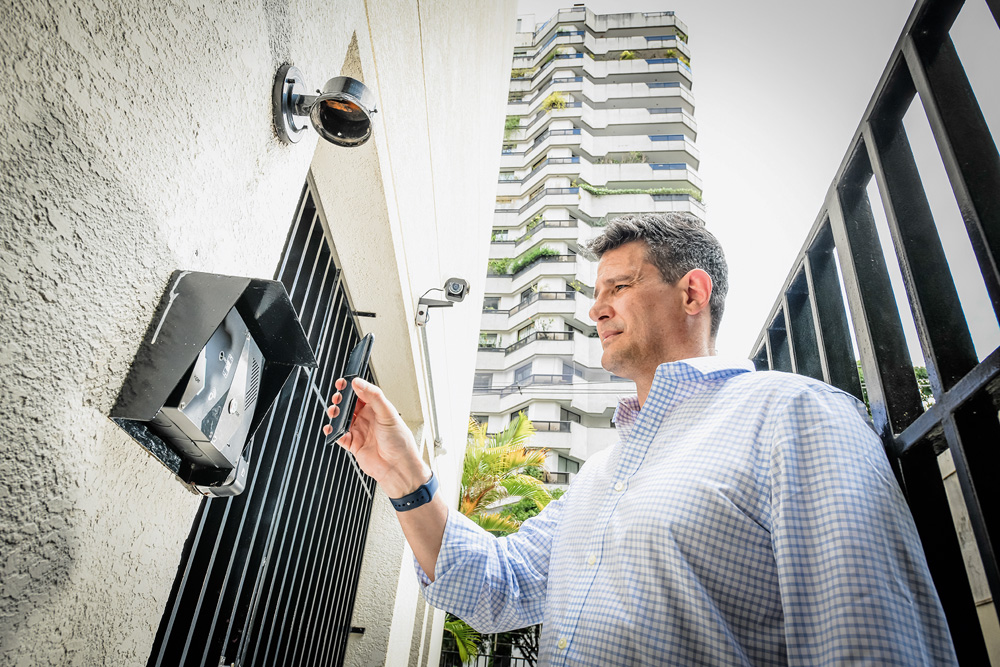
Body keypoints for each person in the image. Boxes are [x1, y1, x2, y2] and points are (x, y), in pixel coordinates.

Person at [324, 212, 958, 666]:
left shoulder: (793, 414)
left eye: (619, 288)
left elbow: (870, 644)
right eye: (595, 294)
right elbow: (497, 587)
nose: (596, 309)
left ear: (691, 292)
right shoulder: (601, 476)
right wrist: (405, 474)